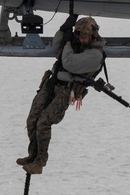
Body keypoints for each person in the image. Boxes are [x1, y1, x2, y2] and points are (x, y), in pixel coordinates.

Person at [17, 15, 106, 175]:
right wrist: (63, 30)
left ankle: (40, 162)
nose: (82, 40)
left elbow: (69, 62)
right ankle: (33, 154)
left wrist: (67, 43)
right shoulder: (76, 45)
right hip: (52, 83)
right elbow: (56, 49)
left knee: (44, 122)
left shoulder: (95, 55)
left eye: (85, 37)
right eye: (79, 36)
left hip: (67, 91)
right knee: (33, 119)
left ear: (93, 35)